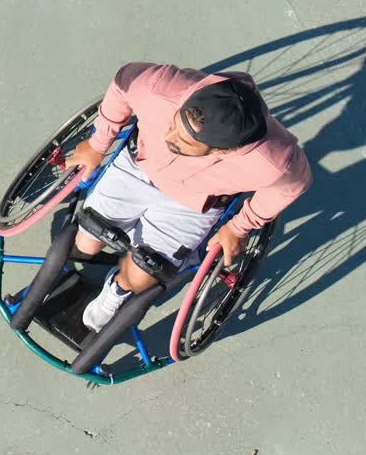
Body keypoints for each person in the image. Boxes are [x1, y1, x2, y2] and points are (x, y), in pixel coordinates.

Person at [65, 62, 312, 331]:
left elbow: (293, 185)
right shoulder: (159, 86)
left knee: (138, 276)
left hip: (191, 204)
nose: (170, 138)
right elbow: (123, 83)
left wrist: (240, 227)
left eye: (185, 143)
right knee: (87, 242)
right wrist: (98, 143)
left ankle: (119, 288)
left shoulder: (275, 162)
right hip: (138, 166)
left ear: (224, 152)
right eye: (175, 124)